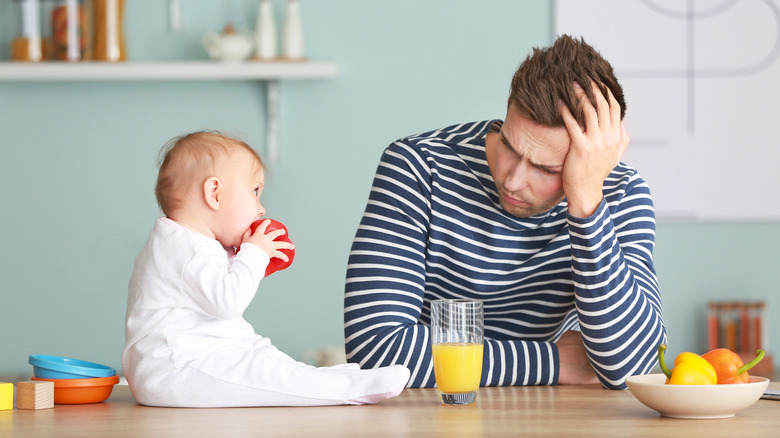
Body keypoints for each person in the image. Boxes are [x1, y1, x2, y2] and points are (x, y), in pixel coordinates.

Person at [344, 35, 666, 390]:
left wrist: (587, 202)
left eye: (546, 170)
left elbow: (628, 365)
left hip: (558, 419)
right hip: (431, 411)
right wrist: (554, 362)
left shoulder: (620, 193)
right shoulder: (419, 168)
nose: (512, 180)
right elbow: (375, 352)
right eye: (510, 146)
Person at [122, 131, 410, 407]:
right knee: (265, 374)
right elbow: (227, 302)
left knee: (266, 358)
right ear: (215, 194)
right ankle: (349, 388)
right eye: (255, 192)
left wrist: (245, 259)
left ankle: (333, 379)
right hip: (176, 370)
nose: (261, 209)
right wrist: (254, 254)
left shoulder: (186, 243)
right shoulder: (185, 248)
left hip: (199, 358)